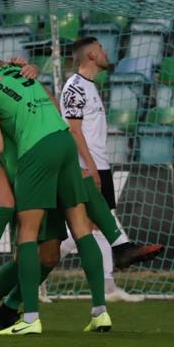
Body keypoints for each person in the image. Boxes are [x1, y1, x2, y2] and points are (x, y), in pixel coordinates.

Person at [0, 33, 111, 335]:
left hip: (35, 156)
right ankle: (99, 311)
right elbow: (49, 101)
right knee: (80, 229)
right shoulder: (15, 71)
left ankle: (29, 319)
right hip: (63, 142)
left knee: (27, 236)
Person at [59, 37, 145, 302]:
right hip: (86, 167)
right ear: (92, 55)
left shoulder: (90, 86)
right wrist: (92, 169)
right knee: (88, 229)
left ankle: (109, 288)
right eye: (102, 49)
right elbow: (73, 131)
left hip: (98, 164)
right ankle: (34, 264)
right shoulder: (74, 87)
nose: (107, 53)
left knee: (93, 229)